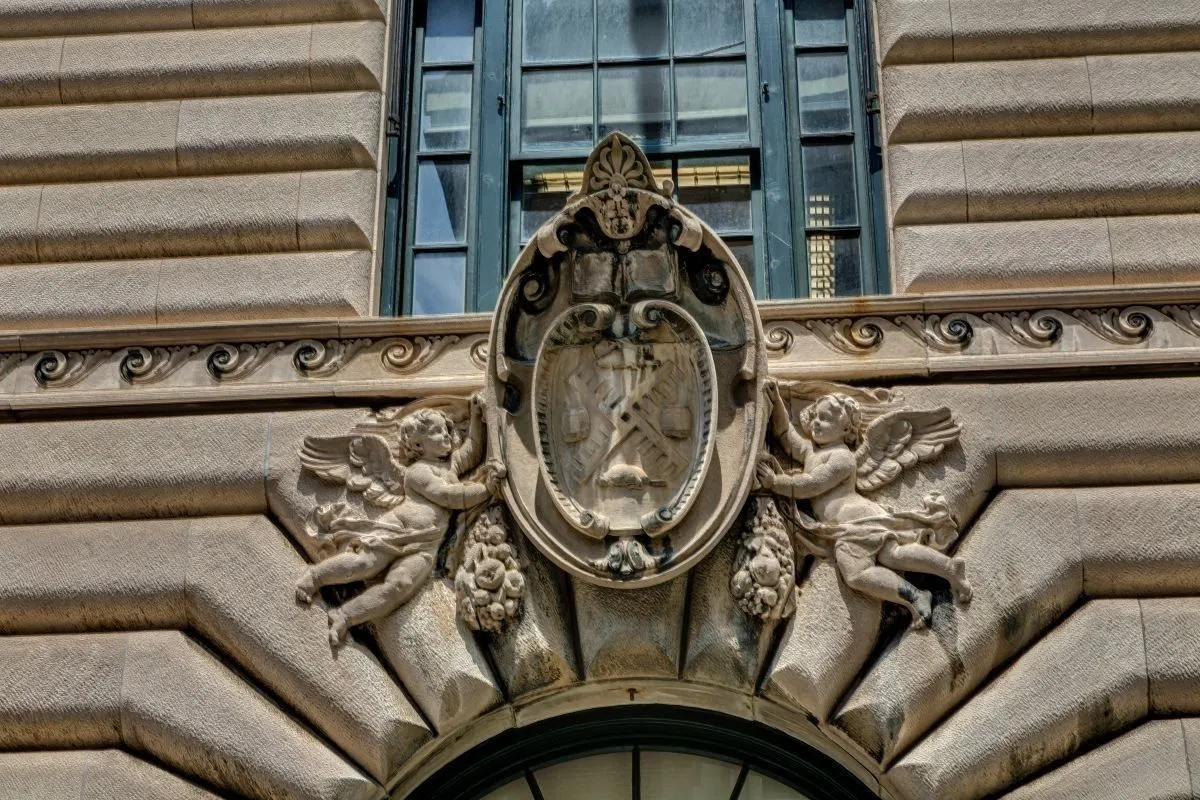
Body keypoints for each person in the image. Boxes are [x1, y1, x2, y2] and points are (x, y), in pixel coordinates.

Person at [758, 384, 970, 627]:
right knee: (889, 557)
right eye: (815, 416)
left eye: (825, 419)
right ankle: (939, 577)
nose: (816, 422)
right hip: (848, 523)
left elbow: (811, 484)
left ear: (846, 429)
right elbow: (786, 434)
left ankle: (929, 585)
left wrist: (776, 482)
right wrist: (776, 402)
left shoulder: (843, 458)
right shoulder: (810, 451)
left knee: (867, 568)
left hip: (855, 518)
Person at [296, 398, 502, 645]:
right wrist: (486, 489)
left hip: (426, 544)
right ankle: (315, 577)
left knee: (399, 586)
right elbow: (448, 497)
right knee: (365, 564)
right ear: (417, 444)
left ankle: (345, 615)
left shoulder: (450, 465)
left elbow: (473, 448)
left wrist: (477, 414)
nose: (446, 436)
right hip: (399, 529)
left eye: (446, 430)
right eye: (436, 432)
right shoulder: (417, 472)